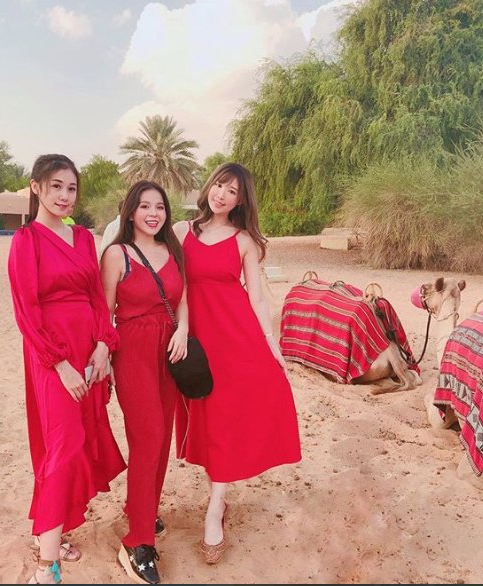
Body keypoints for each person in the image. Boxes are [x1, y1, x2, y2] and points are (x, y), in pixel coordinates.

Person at [173, 162, 302, 564]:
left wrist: (271, 343)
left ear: (241, 201)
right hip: (194, 339)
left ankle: (215, 508)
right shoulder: (181, 231)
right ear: (209, 186)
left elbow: (257, 297)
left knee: (228, 418)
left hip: (235, 338)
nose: (222, 195)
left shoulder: (245, 241)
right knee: (206, 418)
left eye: (232, 191)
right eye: (219, 185)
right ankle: (217, 497)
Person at [8, 154, 126, 584]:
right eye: (56, 186)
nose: (64, 196)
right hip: (50, 355)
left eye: (71, 188)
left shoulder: (82, 238)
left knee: (75, 443)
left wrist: (103, 346)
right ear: (36, 187)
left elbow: (97, 297)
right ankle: (46, 565)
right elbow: (26, 310)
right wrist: (60, 364)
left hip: (87, 349)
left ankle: (50, 533)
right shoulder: (26, 240)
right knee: (63, 442)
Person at [100, 180, 188, 584]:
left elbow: (183, 297)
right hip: (133, 350)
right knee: (148, 438)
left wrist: (183, 329)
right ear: (131, 211)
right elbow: (104, 312)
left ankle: (143, 509)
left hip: (170, 349)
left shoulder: (172, 249)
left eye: (160, 207)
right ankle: (136, 542)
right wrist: (102, 355)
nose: (153, 214)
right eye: (145, 206)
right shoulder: (116, 254)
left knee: (162, 437)